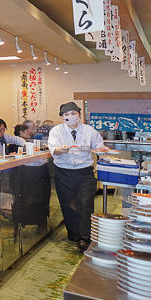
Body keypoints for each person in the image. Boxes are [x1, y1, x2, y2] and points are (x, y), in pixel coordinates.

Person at [49, 102, 111, 252]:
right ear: (62, 117)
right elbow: (53, 150)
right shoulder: (56, 131)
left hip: (85, 172)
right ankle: (74, 233)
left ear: (79, 114)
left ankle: (85, 236)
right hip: (63, 172)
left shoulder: (89, 130)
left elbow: (99, 146)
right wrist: (60, 150)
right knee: (68, 204)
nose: (71, 116)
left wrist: (103, 150)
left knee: (85, 203)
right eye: (66, 114)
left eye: (73, 113)